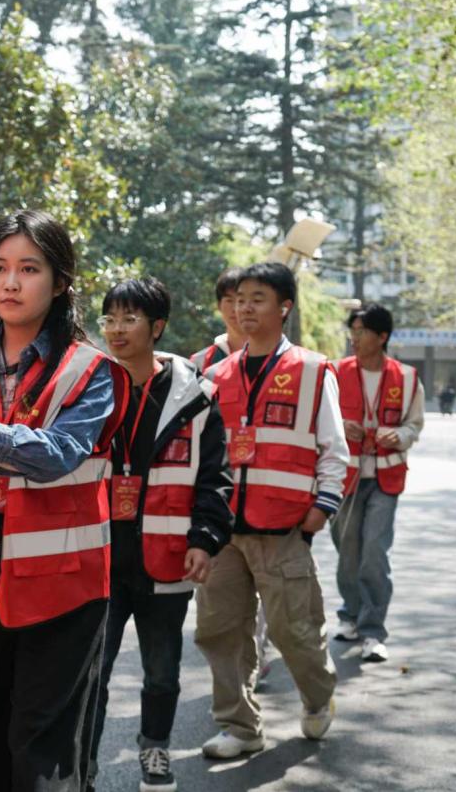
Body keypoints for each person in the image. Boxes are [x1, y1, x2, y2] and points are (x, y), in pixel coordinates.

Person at [0, 210, 128, 792]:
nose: (10, 283)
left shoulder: (91, 371)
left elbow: (59, 454)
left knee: (40, 757)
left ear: (61, 280)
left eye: (28, 269)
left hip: (61, 593)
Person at [195, 262, 348, 758]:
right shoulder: (215, 375)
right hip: (223, 531)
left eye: (257, 298)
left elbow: (335, 450)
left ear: (284, 307)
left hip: (283, 527)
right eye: (239, 298)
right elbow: (203, 454)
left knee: (294, 631)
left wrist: (321, 509)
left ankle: (318, 697)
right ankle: (240, 727)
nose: (244, 308)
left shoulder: (312, 370)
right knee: (221, 631)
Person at [89, 278, 234, 792]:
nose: (117, 330)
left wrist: (204, 539)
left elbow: (215, 476)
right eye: (109, 319)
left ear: (157, 327)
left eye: (129, 319)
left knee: (162, 671)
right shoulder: (88, 389)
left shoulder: (195, 396)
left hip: (166, 555)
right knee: (92, 672)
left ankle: (155, 749)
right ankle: (83, 764)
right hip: (100, 557)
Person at [188, 265, 274, 680]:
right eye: (230, 300)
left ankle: (258, 654)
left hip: (268, 500)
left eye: (249, 299)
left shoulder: (283, 360)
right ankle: (239, 680)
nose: (238, 308)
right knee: (225, 599)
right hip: (218, 501)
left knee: (268, 594)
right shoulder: (200, 363)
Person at [330, 304, 424, 664]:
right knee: (348, 550)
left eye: (362, 331)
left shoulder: (407, 377)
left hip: (386, 478)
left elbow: (414, 424)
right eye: (352, 331)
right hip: (346, 477)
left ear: (382, 336)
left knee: (374, 551)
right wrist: (342, 426)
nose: (354, 338)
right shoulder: (335, 372)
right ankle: (350, 614)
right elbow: (321, 418)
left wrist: (399, 435)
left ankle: (373, 631)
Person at [189, 267, 246, 372]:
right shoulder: (200, 362)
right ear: (219, 305)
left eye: (241, 300)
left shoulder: (272, 357)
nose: (235, 308)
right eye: (229, 300)